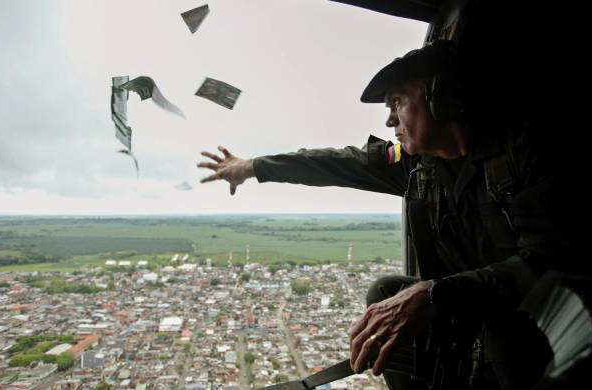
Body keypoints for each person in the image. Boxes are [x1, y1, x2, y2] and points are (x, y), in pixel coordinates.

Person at [198, 41, 553, 390]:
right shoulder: (418, 167)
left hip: (538, 320)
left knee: (499, 341)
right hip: (471, 311)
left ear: (441, 96)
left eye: (397, 101)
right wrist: (253, 167)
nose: (389, 120)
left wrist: (434, 296)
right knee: (386, 292)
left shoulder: (526, 153)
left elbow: (551, 267)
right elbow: (335, 163)